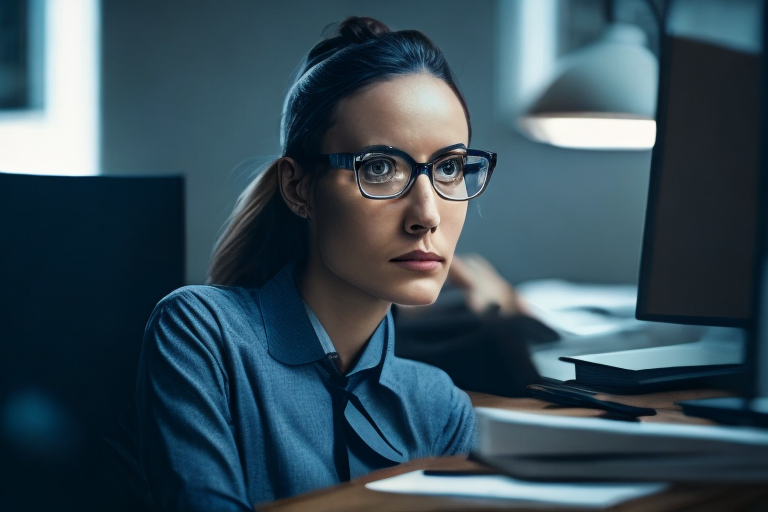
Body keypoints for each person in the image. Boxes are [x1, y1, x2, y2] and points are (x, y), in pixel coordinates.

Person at [115, 16, 498, 511]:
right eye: (379, 168)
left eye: (449, 168)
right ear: (299, 188)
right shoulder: (201, 332)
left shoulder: (438, 406)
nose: (426, 216)